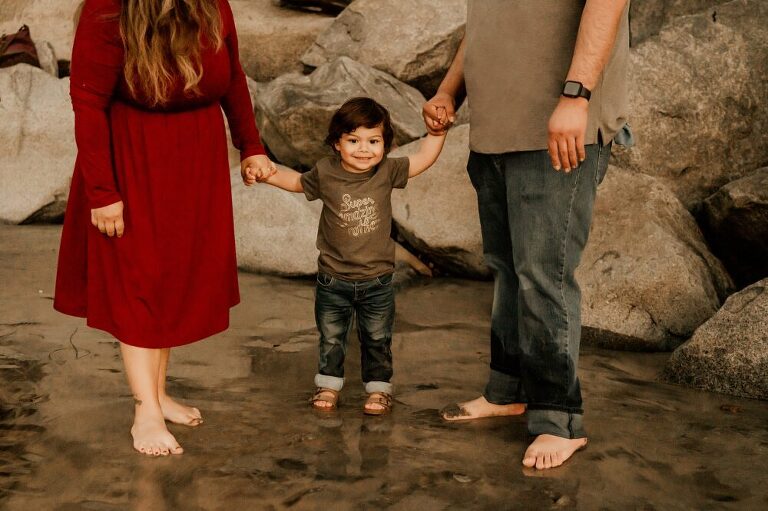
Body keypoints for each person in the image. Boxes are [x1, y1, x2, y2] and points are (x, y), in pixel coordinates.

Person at [54, 0, 275, 456]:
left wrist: (251, 144)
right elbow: (88, 101)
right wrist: (102, 192)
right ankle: (145, 412)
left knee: (171, 282)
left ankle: (158, 394)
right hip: (134, 157)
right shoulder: (108, 9)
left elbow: (232, 76)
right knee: (139, 282)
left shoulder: (212, 5)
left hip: (196, 157)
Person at [423, 0, 632, 470]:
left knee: (544, 275)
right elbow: (486, 22)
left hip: (557, 126)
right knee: (506, 269)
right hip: (496, 128)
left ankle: (559, 420)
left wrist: (577, 96)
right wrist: (447, 91)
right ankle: (507, 391)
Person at [243, 97, 447, 415]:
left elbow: (422, 159)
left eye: (373, 141)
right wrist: (267, 174)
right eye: (353, 140)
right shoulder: (325, 173)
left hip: (377, 281)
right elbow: (296, 182)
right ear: (337, 143)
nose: (364, 149)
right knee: (331, 337)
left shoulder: (388, 171)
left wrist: (437, 135)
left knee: (377, 338)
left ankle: (378, 390)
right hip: (332, 278)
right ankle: (328, 385)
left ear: (385, 145)